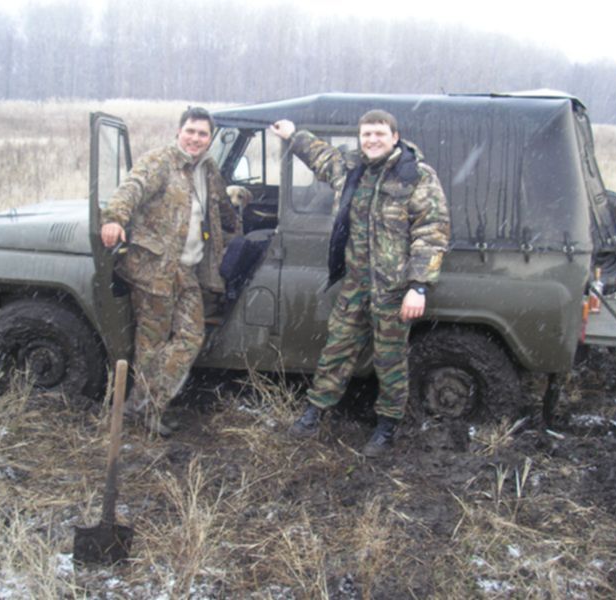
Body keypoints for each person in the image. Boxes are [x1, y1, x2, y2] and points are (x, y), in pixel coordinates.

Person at [270, 110, 450, 457]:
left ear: (395, 137)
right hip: (356, 283)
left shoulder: (416, 175)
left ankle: (387, 426)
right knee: (336, 350)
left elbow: (432, 232)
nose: (372, 140)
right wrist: (293, 135)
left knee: (390, 360)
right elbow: (321, 157)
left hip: (393, 288)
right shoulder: (352, 168)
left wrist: (418, 286)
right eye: (366, 134)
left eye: (379, 134)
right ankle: (315, 412)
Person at [101, 107, 247, 436]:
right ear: (179, 132)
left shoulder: (207, 169)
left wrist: (239, 228)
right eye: (190, 131)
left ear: (210, 138)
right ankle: (147, 411)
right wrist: (114, 218)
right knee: (150, 345)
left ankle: (143, 402)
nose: (195, 138)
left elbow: (220, 205)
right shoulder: (160, 162)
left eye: (202, 133)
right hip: (154, 270)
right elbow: (132, 188)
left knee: (190, 338)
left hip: (187, 270)